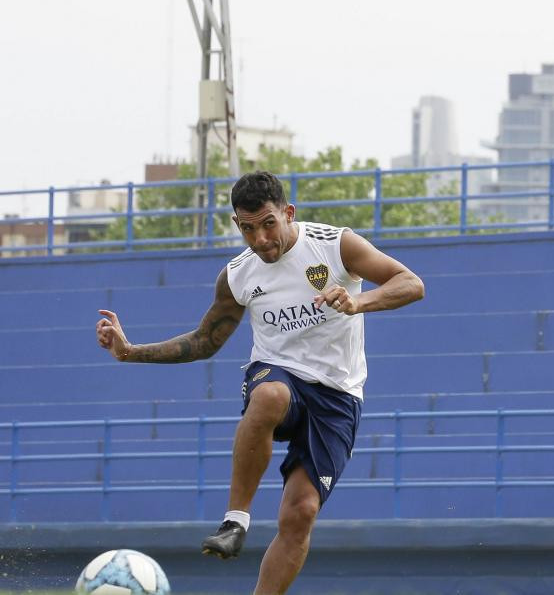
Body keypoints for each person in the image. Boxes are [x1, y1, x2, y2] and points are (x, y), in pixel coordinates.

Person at [95, 170, 424, 595]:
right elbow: (203, 342)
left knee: (300, 513)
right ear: (237, 225)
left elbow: (411, 283)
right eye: (247, 229)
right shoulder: (237, 276)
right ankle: (236, 521)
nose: (261, 239)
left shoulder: (334, 244)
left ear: (288, 213)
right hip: (277, 371)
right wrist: (130, 351)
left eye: (268, 224)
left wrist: (357, 300)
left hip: (339, 395)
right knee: (269, 395)